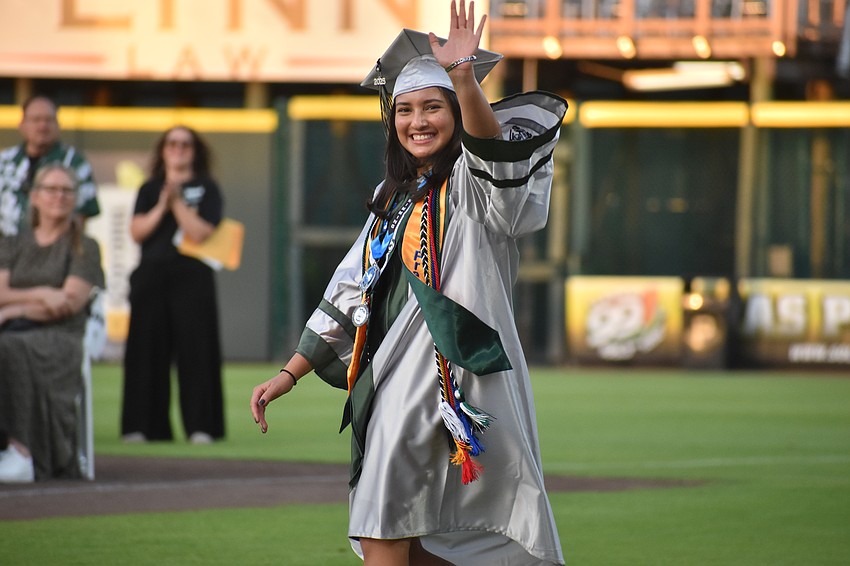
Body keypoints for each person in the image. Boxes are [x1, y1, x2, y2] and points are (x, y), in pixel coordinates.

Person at [250, 2, 568, 564]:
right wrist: (290, 373)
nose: (417, 121)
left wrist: (465, 81)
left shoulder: (469, 189)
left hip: (453, 377)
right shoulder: (391, 197)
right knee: (404, 533)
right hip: (394, 374)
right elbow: (352, 288)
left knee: (384, 521)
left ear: (456, 113)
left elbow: (498, 169)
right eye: (405, 110)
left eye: (432, 107)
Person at [120, 126, 225, 445]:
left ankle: (201, 427)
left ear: (195, 151)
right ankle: (143, 427)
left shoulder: (207, 188)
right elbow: (137, 232)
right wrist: (162, 204)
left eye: (185, 144)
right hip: (151, 275)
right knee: (144, 352)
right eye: (172, 144)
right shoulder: (149, 189)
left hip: (191, 277)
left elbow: (200, 232)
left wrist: (177, 203)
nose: (178, 149)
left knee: (197, 352)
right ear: (163, 150)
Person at [0, 164, 105, 481]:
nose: (59, 196)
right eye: (51, 189)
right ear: (34, 196)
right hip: (12, 329)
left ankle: (21, 451)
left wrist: (12, 310)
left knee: (8, 348)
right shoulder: (13, 243)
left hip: (60, 337)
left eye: (67, 190)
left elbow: (67, 304)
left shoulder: (84, 246)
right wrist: (45, 292)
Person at [0, 94, 99, 238]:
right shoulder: (4, 161)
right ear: (22, 125)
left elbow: (83, 213)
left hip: (56, 251)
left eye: (49, 120)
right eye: (36, 120)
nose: (42, 126)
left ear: (59, 125)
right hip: (6, 251)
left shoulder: (74, 163)